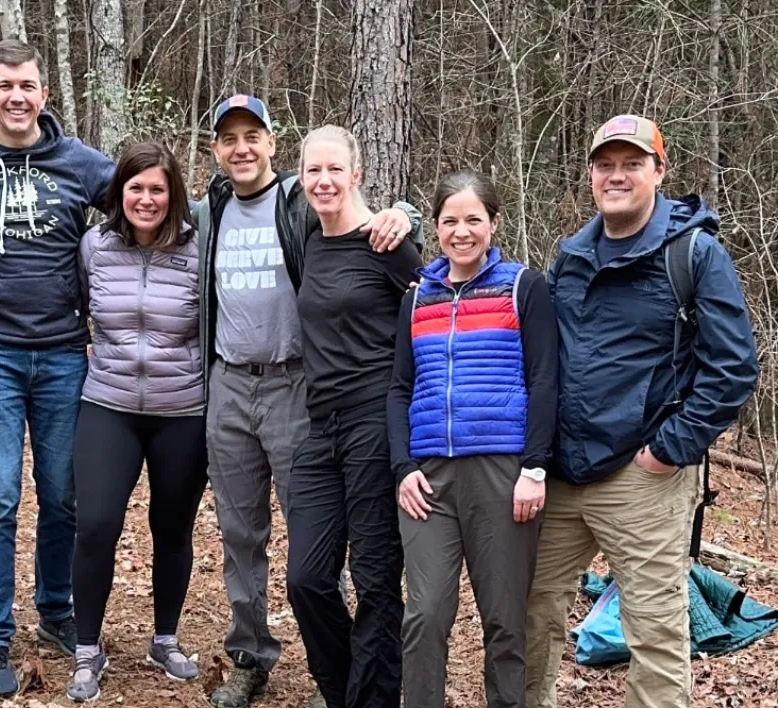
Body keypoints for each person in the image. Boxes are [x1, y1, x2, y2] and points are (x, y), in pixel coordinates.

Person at [524, 115, 758, 708]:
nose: (617, 175)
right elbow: (549, 361)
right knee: (531, 615)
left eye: (632, 163)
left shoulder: (694, 254)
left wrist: (667, 451)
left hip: (643, 477)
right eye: (606, 164)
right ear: (590, 176)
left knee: (654, 632)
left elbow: (732, 368)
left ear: (659, 170)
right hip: (563, 475)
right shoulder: (570, 257)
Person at [198, 95, 420, 708]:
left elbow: (418, 279)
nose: (241, 148)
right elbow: (145, 210)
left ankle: (358, 685)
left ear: (274, 146)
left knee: (352, 562)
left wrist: (406, 214)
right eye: (228, 138)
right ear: (215, 150)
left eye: (253, 136)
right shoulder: (211, 210)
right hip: (255, 393)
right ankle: (276, 663)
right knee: (270, 551)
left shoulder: (306, 209)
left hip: (329, 400)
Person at [0, 39, 116, 697]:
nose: (17, 96)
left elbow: (153, 202)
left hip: (66, 354)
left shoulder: (80, 164)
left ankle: (56, 612)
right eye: (5, 85)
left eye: (28, 85)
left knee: (63, 493)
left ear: (45, 94)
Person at [387, 170, 558, 708]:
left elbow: (545, 379)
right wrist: (402, 467)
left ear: (494, 223)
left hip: (503, 474)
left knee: (505, 619)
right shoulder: (418, 300)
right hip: (429, 478)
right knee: (425, 614)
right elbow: (398, 389)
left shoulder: (522, 286)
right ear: (435, 227)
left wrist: (534, 467)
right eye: (449, 221)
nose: (461, 232)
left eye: (473, 220)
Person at [285, 125, 423, 708]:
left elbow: (434, 312)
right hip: (320, 429)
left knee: (374, 583)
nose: (323, 181)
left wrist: (405, 214)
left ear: (357, 174)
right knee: (307, 579)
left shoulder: (388, 243)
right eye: (313, 170)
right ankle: (344, 692)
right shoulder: (307, 237)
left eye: (334, 169)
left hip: (375, 424)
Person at [65, 141, 207, 702]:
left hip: (183, 411)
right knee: (95, 524)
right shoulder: (94, 246)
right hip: (108, 403)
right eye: (135, 188)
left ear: (173, 195)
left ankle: (164, 638)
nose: (146, 199)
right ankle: (86, 649)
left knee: (172, 528)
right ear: (118, 193)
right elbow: (78, 312)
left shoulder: (200, 249)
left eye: (157, 188)